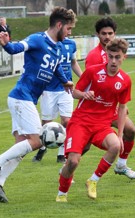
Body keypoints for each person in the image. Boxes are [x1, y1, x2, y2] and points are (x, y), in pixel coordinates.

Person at [0, 7, 76, 203]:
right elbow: (17, 48)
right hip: (21, 97)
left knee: (22, 147)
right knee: (37, 141)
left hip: (26, 99)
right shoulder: (37, 39)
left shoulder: (58, 47)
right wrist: (7, 44)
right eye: (68, 28)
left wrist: (65, 81)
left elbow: (58, 67)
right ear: (59, 25)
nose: (69, 32)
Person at [56, 38, 132, 202]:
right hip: (81, 122)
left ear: (124, 57)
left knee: (115, 146)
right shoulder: (92, 71)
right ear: (106, 54)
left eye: (117, 57)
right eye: (110, 56)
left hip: (101, 125)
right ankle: (62, 194)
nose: (113, 61)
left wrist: (119, 134)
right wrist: (84, 94)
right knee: (73, 162)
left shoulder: (125, 80)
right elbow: (75, 91)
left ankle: (93, 180)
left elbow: (123, 108)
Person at [84, 17, 135, 180]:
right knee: (84, 143)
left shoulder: (114, 52)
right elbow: (92, 84)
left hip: (111, 107)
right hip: (95, 108)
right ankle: (68, 166)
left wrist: (119, 104)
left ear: (115, 34)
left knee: (130, 130)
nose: (107, 37)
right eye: (103, 34)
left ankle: (121, 165)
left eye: (110, 33)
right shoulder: (94, 56)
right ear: (97, 35)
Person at [32, 36, 83, 164]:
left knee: (67, 121)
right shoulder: (49, 44)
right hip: (49, 89)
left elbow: (73, 62)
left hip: (66, 89)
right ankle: (43, 147)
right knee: (46, 122)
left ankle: (61, 153)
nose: (69, 31)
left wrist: (83, 77)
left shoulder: (71, 44)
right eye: (67, 27)